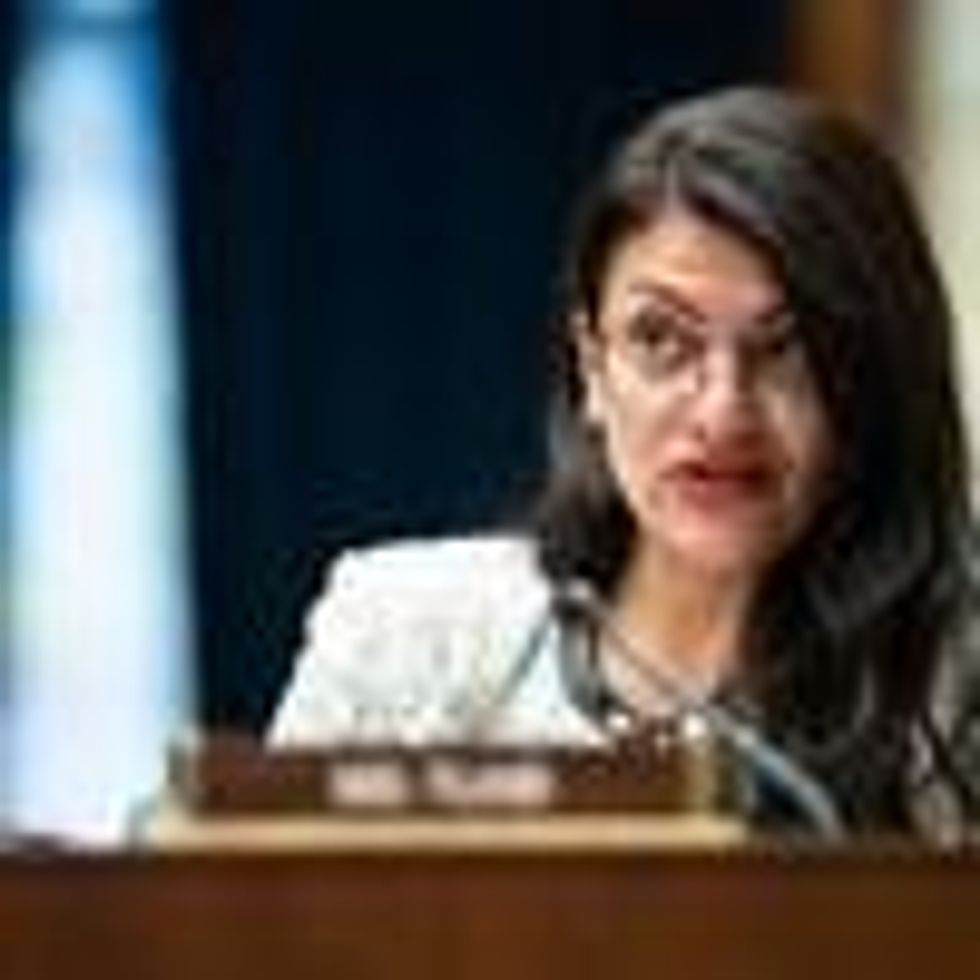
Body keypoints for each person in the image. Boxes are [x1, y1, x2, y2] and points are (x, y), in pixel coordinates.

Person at [270, 87, 980, 842]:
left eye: (787, 349)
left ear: (873, 380)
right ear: (592, 370)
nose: (722, 412)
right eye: (661, 340)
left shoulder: (954, 697)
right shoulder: (402, 639)